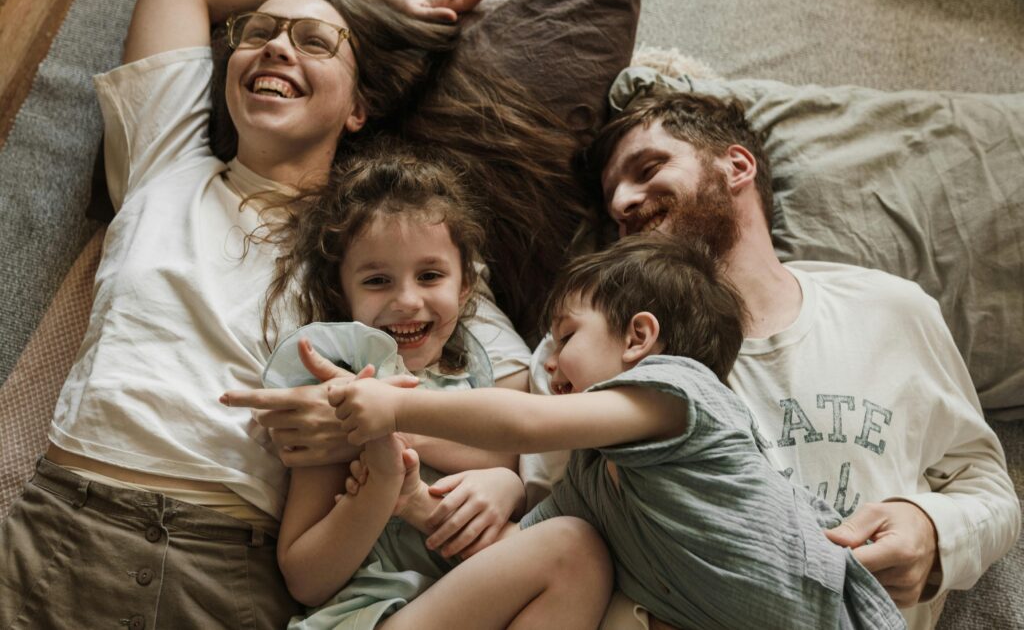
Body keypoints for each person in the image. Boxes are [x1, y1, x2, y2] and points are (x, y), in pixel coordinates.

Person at [0, 0, 540, 627]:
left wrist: (373, 421)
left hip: (233, 563)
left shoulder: (388, 246)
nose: (277, 47)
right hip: (69, 523)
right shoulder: (167, 157)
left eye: (315, 42)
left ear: (358, 107)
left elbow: (511, 411)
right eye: (258, 33)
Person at [560, 85, 1021, 629]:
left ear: (736, 166)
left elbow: (987, 486)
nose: (621, 204)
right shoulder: (589, 340)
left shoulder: (889, 311)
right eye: (611, 200)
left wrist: (933, 532)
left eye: (648, 168)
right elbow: (552, 514)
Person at [328, 234, 908, 629]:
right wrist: (418, 503)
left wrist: (397, 408)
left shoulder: (679, 394)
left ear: (638, 338)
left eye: (566, 337)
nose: (547, 362)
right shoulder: (590, 475)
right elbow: (518, 549)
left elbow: (527, 422)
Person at [222, 143, 611, 628]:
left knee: (583, 557)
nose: (407, 300)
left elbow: (507, 449)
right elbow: (305, 578)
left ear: (465, 287)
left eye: (429, 276)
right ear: (341, 293)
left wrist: (507, 486)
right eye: (377, 281)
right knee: (574, 550)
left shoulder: (474, 377)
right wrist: (380, 487)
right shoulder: (345, 389)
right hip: (369, 616)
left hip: (469, 607)